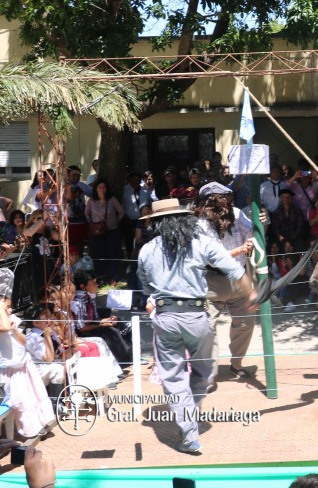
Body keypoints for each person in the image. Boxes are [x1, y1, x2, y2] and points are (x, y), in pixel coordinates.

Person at [136, 198, 257, 454]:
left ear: (157, 224)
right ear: (185, 219)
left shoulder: (146, 250)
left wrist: (156, 299)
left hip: (166, 317)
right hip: (197, 317)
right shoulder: (201, 243)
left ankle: (189, 431)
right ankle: (192, 414)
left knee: (173, 377)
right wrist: (251, 294)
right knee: (203, 371)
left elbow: (146, 287)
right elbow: (233, 269)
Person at [196, 183, 257, 383]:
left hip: (240, 278)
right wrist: (239, 250)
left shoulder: (237, 214)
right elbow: (210, 257)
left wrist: (259, 224)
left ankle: (236, 364)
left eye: (226, 197)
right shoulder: (200, 224)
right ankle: (209, 373)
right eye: (220, 198)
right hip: (212, 281)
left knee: (246, 322)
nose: (225, 202)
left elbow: (252, 233)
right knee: (207, 328)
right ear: (209, 201)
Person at [0, 268, 56, 439]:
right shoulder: (4, 321)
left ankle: (41, 423)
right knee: (21, 401)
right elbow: (4, 327)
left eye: (10, 306)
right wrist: (1, 308)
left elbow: (23, 340)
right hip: (10, 369)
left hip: (24, 365)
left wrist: (16, 331)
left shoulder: (13, 320)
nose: (10, 310)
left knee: (35, 395)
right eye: (6, 307)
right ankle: (27, 430)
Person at [85, 179, 125, 285]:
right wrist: (92, 224)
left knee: (112, 253)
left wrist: (115, 222)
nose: (102, 189)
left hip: (111, 231)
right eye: (100, 187)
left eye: (104, 187)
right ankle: (100, 277)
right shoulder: (91, 201)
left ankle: (113, 277)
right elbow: (87, 213)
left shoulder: (111, 199)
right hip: (96, 233)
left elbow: (121, 211)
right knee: (99, 254)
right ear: (96, 188)